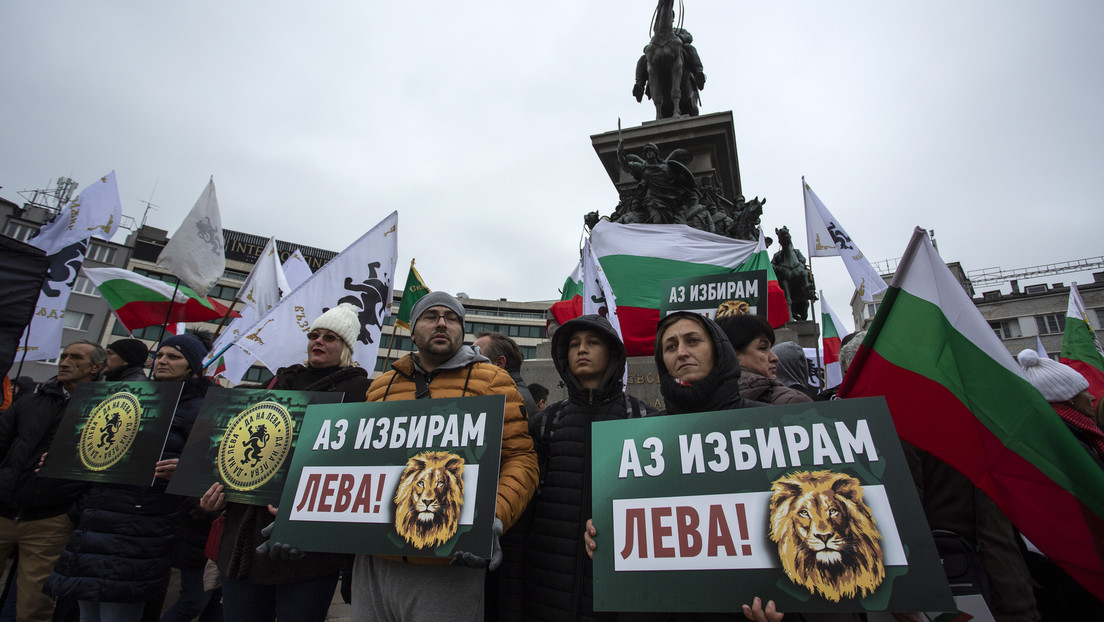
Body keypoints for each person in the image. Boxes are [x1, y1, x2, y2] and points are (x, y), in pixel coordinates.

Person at [356, 291, 539, 621]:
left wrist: (492, 518)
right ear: (413, 331)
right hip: (374, 559)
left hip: (449, 561)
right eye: (430, 316)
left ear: (461, 330)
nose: (442, 322)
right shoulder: (380, 386)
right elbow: (355, 466)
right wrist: (297, 522)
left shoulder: (494, 381)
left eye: (451, 318)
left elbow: (521, 459)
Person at [200, 303, 370, 622]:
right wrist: (213, 497)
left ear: (346, 347)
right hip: (243, 542)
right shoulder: (276, 384)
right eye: (314, 335)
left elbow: (353, 468)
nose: (318, 341)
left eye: (330, 337)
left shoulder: (360, 392)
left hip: (306, 549)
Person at [46, 332, 215, 622]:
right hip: (99, 516)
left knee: (118, 609)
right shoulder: (125, 397)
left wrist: (184, 471)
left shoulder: (199, 409)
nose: (162, 361)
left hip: (144, 524)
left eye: (173, 357)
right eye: (160, 355)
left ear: (192, 367)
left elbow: (209, 468)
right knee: (86, 610)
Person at [525, 314, 656, 621]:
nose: (581, 350)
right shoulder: (546, 422)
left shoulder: (645, 420)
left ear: (613, 352)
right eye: (574, 344)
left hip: (618, 591)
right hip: (549, 587)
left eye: (592, 342)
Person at [0, 341, 105, 622]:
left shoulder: (103, 411)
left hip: (49, 520)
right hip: (3, 511)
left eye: (75, 357)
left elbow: (103, 469)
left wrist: (71, 514)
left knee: (34, 607)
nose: (65, 362)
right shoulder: (29, 403)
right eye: (64, 356)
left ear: (95, 368)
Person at [716, 314, 812, 406]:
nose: (775, 357)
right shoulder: (795, 402)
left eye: (770, 348)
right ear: (733, 355)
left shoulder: (791, 401)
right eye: (763, 348)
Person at [473, 331, 538, 417]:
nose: (469, 363)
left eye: (476, 358)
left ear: (499, 363)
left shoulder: (505, 399)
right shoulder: (514, 395)